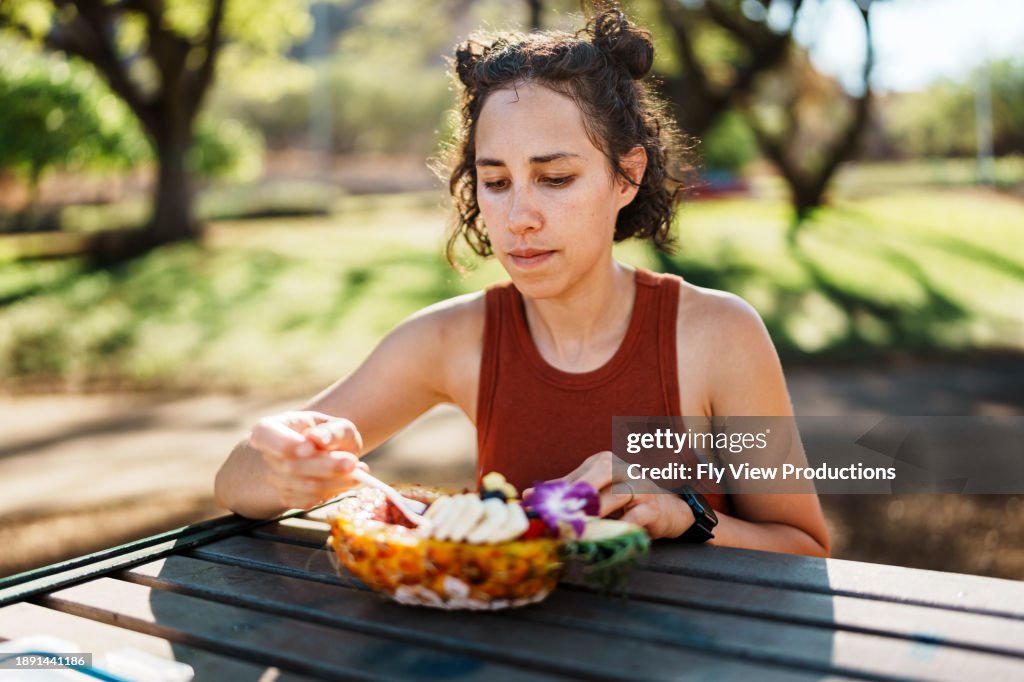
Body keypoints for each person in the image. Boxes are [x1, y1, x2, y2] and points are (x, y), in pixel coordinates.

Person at [214, 7, 830, 557]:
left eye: (555, 179)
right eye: (497, 182)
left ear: (626, 176)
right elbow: (234, 482)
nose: (519, 218)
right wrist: (284, 466)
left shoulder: (718, 335)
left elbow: (805, 548)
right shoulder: (452, 338)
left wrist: (683, 517)